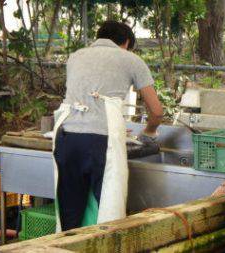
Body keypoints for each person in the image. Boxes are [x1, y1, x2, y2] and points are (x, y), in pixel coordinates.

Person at [52, 21, 163, 231]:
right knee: (108, 213)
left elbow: (84, 99)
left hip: (66, 138)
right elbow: (156, 112)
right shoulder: (131, 59)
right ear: (127, 42)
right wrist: (149, 131)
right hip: (100, 142)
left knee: (70, 215)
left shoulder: (75, 57)